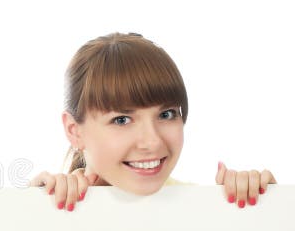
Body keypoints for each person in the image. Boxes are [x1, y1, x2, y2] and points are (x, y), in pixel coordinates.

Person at [31, 32, 275, 210]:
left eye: (166, 114)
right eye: (122, 119)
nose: (152, 141)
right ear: (75, 131)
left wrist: (268, 207)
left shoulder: (202, 209)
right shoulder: (51, 206)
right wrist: (24, 210)